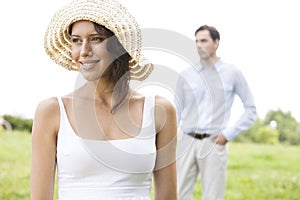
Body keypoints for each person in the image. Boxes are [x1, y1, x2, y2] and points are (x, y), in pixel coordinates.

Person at [30, 0, 178, 199]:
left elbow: (168, 196)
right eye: (76, 40)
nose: (83, 51)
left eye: (96, 39)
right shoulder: (52, 111)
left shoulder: (159, 110)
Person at [174, 25, 257, 200]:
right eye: (196, 41)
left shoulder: (232, 73)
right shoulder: (186, 74)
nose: (198, 45)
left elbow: (250, 110)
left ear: (216, 43)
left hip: (213, 142)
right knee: (179, 194)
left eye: (203, 40)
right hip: (186, 141)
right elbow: (176, 111)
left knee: (213, 196)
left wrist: (227, 135)